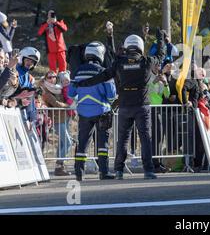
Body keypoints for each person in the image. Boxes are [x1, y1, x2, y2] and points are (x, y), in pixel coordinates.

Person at [74, 30, 165, 180]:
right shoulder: (147, 61)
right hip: (142, 106)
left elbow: (102, 76)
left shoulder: (119, 62)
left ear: (127, 46)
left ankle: (119, 171)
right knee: (145, 138)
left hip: (124, 106)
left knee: (123, 139)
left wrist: (82, 83)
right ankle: (148, 171)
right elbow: (161, 55)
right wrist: (160, 38)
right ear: (141, 47)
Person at [69, 42, 117, 181]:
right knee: (102, 144)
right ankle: (104, 172)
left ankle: (79, 173)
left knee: (82, 142)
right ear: (100, 55)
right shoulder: (103, 71)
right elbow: (111, 96)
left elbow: (71, 93)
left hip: (83, 112)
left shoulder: (77, 72)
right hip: (102, 111)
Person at [39, 70, 72, 176]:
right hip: (57, 120)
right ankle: (59, 163)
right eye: (49, 77)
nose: (52, 78)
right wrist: (69, 106)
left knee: (63, 143)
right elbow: (56, 103)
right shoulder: (46, 91)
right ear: (45, 79)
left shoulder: (58, 88)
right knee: (68, 142)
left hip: (65, 118)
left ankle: (59, 168)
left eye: (53, 76)